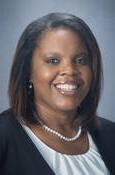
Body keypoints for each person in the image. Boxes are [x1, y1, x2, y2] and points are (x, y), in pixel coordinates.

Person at [0, 12, 115, 175]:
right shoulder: (4, 137)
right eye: (53, 60)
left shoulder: (111, 134)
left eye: (80, 60)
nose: (70, 71)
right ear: (27, 71)